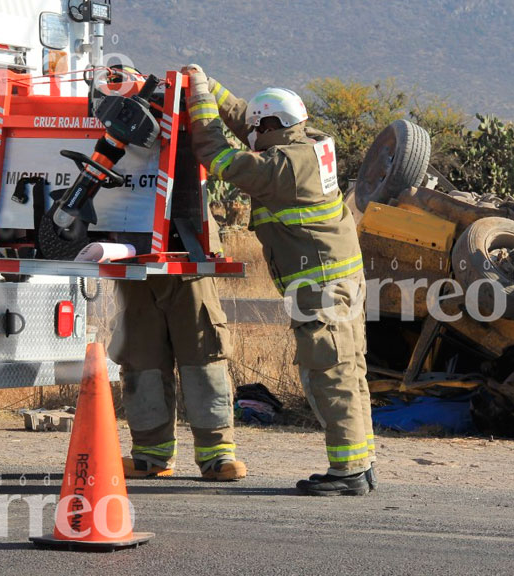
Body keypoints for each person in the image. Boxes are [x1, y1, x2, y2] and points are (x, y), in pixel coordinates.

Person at [182, 63, 376, 496]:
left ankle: (347, 474)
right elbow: (245, 121)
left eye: (257, 128)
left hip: (321, 288)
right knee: (350, 370)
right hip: (341, 280)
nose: (252, 135)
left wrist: (197, 102)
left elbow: (217, 155)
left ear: (271, 126)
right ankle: (361, 465)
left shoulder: (282, 167)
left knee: (330, 375)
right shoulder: (309, 144)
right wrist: (206, 82)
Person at [108, 218, 246, 482]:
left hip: (188, 250)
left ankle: (217, 455)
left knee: (202, 355)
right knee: (141, 358)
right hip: (131, 253)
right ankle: (150, 454)